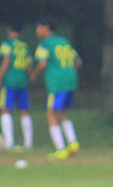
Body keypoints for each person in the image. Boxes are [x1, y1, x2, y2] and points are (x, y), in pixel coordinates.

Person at [29, 16, 82, 161]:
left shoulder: (45, 44)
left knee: (50, 113)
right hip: (71, 80)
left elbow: (42, 64)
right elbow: (78, 62)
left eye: (38, 27)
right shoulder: (64, 41)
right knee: (61, 112)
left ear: (45, 28)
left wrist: (34, 74)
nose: (37, 31)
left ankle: (60, 149)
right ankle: (73, 143)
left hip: (57, 82)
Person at [0, 22, 34, 151]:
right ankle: (28, 143)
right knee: (24, 111)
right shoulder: (25, 46)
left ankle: (9, 143)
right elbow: (29, 67)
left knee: (6, 109)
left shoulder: (7, 44)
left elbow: (6, 61)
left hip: (10, 81)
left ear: (9, 30)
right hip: (22, 81)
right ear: (21, 33)